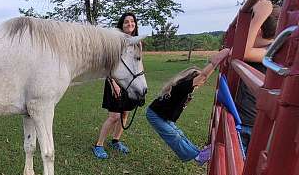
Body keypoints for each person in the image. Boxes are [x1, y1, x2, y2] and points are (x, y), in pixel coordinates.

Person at [146, 49, 230, 165]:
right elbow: (204, 76)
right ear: (192, 79)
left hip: (163, 115)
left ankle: (198, 152)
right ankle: (197, 157)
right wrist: (214, 63)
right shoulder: (184, 87)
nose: (202, 83)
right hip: (155, 115)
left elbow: (203, 77)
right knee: (173, 136)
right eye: (200, 81)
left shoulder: (185, 89)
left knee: (178, 133)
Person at [92, 12, 139, 159]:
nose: (130, 24)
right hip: (115, 83)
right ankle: (99, 145)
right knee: (114, 116)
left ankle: (115, 141)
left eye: (132, 21)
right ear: (121, 25)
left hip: (130, 83)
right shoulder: (115, 42)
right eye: (126, 22)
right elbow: (107, 66)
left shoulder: (138, 43)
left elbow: (138, 65)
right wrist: (114, 84)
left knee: (125, 113)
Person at [236, 0, 280, 149]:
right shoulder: (266, 49)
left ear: (258, 30)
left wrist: (259, 17)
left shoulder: (273, 50)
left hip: (250, 122)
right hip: (247, 118)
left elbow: (242, 53)